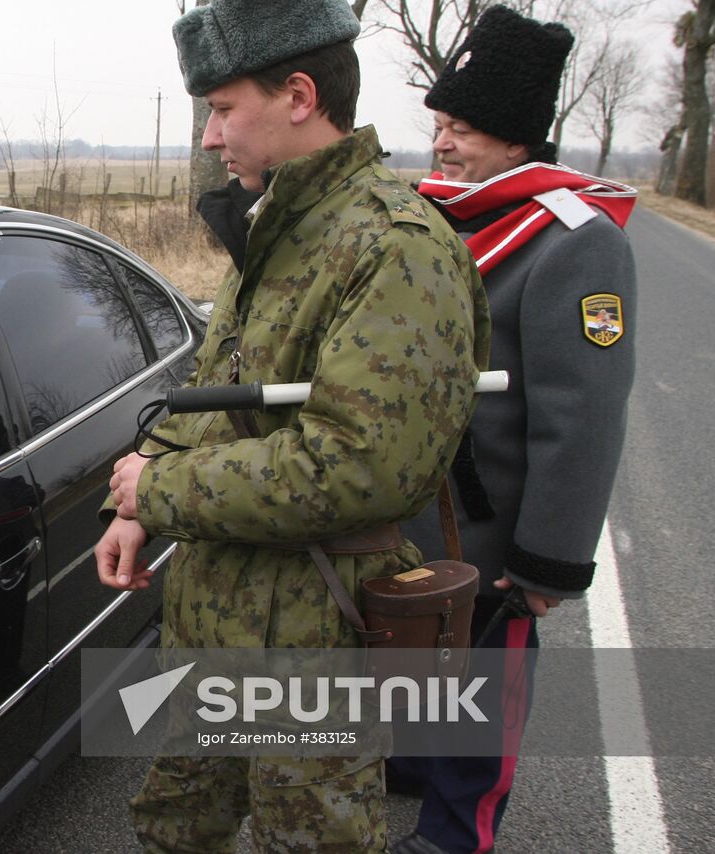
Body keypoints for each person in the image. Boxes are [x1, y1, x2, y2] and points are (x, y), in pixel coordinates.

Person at [93, 1, 491, 851]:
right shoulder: (277, 223)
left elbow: (357, 467)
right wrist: (134, 507)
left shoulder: (397, 246)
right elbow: (216, 394)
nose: (209, 135)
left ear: (300, 94)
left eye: (224, 108)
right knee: (174, 826)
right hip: (216, 619)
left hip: (314, 636)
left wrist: (160, 489)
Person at [387, 7, 638, 854]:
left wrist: (548, 561)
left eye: (462, 129)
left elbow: (584, 416)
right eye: (441, 125)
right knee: (421, 666)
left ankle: (456, 833)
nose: (443, 143)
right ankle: (412, 768)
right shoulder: (430, 217)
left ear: (515, 138)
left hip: (498, 533)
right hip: (416, 518)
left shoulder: (577, 245)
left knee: (486, 695)